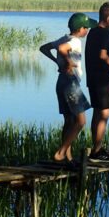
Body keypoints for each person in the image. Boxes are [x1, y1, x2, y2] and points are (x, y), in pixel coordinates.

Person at [39, 12, 98, 166]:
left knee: (69, 121)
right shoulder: (75, 41)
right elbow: (62, 49)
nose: (88, 30)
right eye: (86, 28)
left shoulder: (64, 37)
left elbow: (44, 48)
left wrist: (57, 62)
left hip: (61, 82)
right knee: (80, 121)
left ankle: (68, 157)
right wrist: (66, 61)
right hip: (71, 83)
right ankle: (60, 153)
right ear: (80, 29)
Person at [85, 2, 109, 162]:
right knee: (104, 113)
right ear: (108, 18)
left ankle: (96, 149)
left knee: (97, 112)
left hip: (92, 78)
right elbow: (103, 55)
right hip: (102, 80)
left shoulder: (92, 32)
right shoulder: (105, 33)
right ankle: (97, 152)